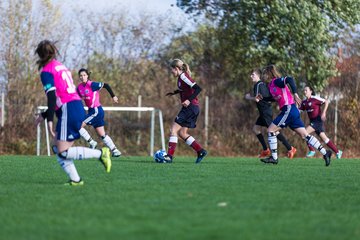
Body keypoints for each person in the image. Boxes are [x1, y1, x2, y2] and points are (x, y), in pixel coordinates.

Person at [34, 40, 112, 186]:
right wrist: (45, 114)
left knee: (62, 150)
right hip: (75, 106)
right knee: (57, 147)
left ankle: (101, 153)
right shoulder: (61, 67)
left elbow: (52, 97)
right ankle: (75, 179)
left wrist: (49, 121)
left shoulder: (46, 72)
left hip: (68, 109)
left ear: (39, 55)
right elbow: (60, 95)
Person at [258, 65, 332, 166]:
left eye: (264, 73)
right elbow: (274, 98)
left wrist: (295, 94)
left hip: (288, 109)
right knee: (304, 135)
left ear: (269, 73)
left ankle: (274, 158)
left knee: (270, 130)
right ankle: (325, 153)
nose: (263, 76)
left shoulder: (276, 81)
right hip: (291, 111)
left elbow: (290, 79)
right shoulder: (271, 85)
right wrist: (263, 98)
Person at [162, 59, 207, 163]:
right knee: (182, 133)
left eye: (172, 70)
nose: (171, 72)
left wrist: (188, 100)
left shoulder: (183, 76)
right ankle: (200, 151)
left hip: (190, 108)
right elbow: (186, 89)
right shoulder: (180, 77)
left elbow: (198, 89)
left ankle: (169, 156)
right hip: (193, 108)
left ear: (177, 69)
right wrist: (175, 92)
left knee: (173, 130)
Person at [245, 69, 297, 158]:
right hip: (264, 112)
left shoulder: (258, 85)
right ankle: (265, 150)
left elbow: (257, 99)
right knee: (256, 129)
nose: (251, 76)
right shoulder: (264, 85)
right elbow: (270, 98)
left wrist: (249, 97)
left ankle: (290, 148)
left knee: (273, 131)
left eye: (253, 74)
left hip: (265, 112)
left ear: (258, 76)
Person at [76, 68, 121, 157]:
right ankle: (115, 151)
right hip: (92, 111)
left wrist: (113, 96)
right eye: (81, 76)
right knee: (102, 134)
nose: (82, 77)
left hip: (96, 111)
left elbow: (106, 85)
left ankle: (92, 143)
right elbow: (76, 99)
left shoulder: (92, 84)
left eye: (84, 75)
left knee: (77, 125)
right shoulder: (79, 88)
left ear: (87, 76)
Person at [299, 85, 343, 159]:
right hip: (313, 122)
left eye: (306, 90)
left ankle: (312, 150)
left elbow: (326, 102)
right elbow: (299, 109)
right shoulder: (304, 102)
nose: (305, 92)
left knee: (305, 133)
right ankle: (338, 152)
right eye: (304, 90)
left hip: (317, 121)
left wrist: (324, 112)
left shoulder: (314, 99)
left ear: (311, 91)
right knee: (325, 139)